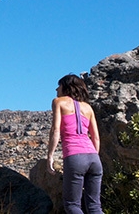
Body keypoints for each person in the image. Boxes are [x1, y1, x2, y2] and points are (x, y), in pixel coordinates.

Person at [46, 74, 103, 214]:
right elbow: (95, 137)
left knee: (72, 205)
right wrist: (93, 155)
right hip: (94, 158)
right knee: (94, 206)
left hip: (75, 156)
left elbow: (55, 130)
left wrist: (50, 156)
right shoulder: (88, 108)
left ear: (66, 87)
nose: (56, 89)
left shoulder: (58, 102)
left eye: (59, 85)